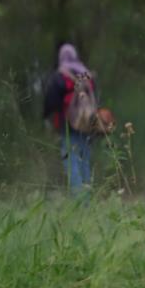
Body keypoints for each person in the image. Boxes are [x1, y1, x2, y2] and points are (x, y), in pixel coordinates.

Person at [43, 43, 96, 193]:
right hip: (87, 123)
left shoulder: (60, 76)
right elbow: (95, 99)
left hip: (67, 125)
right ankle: (87, 197)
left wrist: (47, 118)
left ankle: (78, 197)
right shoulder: (87, 75)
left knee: (71, 159)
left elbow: (51, 102)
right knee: (84, 159)